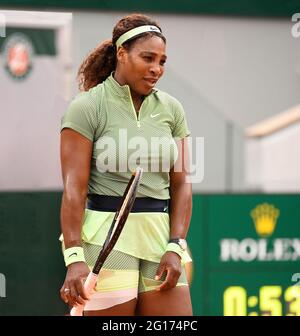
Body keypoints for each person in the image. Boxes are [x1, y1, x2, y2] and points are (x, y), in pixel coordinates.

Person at [59, 13, 193, 316]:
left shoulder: (173, 109)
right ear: (122, 53)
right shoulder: (86, 107)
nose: (156, 69)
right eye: (148, 58)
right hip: (107, 239)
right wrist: (74, 256)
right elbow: (73, 189)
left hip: (160, 242)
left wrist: (176, 245)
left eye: (162, 61)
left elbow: (183, 182)